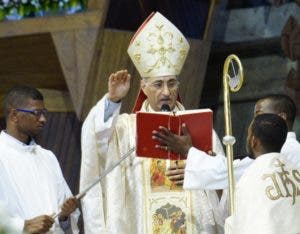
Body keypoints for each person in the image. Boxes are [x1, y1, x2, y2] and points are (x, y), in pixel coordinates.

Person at [80, 12, 225, 234]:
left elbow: (223, 182)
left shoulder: (200, 127)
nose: (166, 92)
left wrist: (205, 165)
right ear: (144, 87)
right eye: (158, 84)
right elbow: (95, 138)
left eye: (171, 83)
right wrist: (112, 100)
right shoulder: (126, 129)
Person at [153, 94, 300, 190]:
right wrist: (212, 160)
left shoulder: (285, 150)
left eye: (259, 114)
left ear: (282, 117)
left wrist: (187, 150)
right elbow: (235, 169)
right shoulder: (288, 148)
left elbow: (231, 173)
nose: (254, 122)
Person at [0, 85, 80, 233]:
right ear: (14, 115)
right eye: (36, 113)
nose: (43, 119)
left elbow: (62, 211)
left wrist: (64, 215)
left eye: (44, 113)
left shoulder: (47, 157)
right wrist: (22, 226)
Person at [225, 113, 300, 233]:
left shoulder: (251, 179)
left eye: (248, 135)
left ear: (254, 140)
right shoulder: (295, 171)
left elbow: (246, 226)